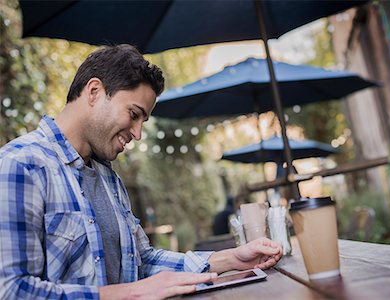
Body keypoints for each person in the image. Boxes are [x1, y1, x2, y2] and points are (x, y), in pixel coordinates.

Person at [0, 44, 282, 299]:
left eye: (142, 121)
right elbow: (12, 290)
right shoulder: (21, 165)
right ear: (94, 91)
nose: (136, 133)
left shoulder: (107, 177)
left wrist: (230, 259)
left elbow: (141, 261)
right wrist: (131, 293)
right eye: (133, 114)